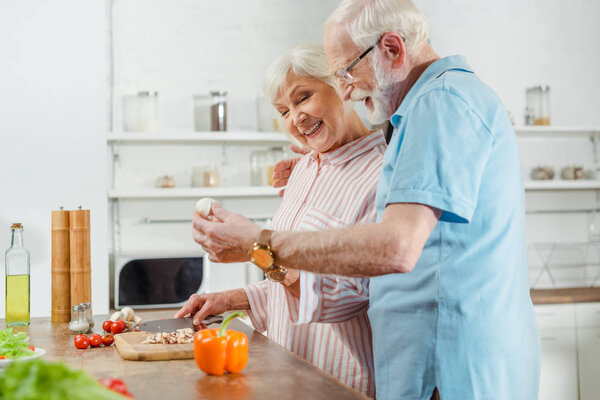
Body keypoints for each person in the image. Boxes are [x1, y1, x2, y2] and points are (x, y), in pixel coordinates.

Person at [191, 0, 541, 399]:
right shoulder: (416, 117)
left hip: (452, 364)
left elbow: (396, 247)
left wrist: (259, 244)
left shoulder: (440, 104)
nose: (345, 89)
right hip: (429, 360)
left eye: (345, 72)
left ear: (391, 48)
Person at [177, 42, 385, 397]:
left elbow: (344, 296)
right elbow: (291, 279)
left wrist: (255, 247)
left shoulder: (382, 175)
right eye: (283, 111)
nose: (296, 118)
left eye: (303, 97)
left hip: (342, 382)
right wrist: (234, 298)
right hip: (290, 375)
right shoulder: (303, 169)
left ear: (341, 86)